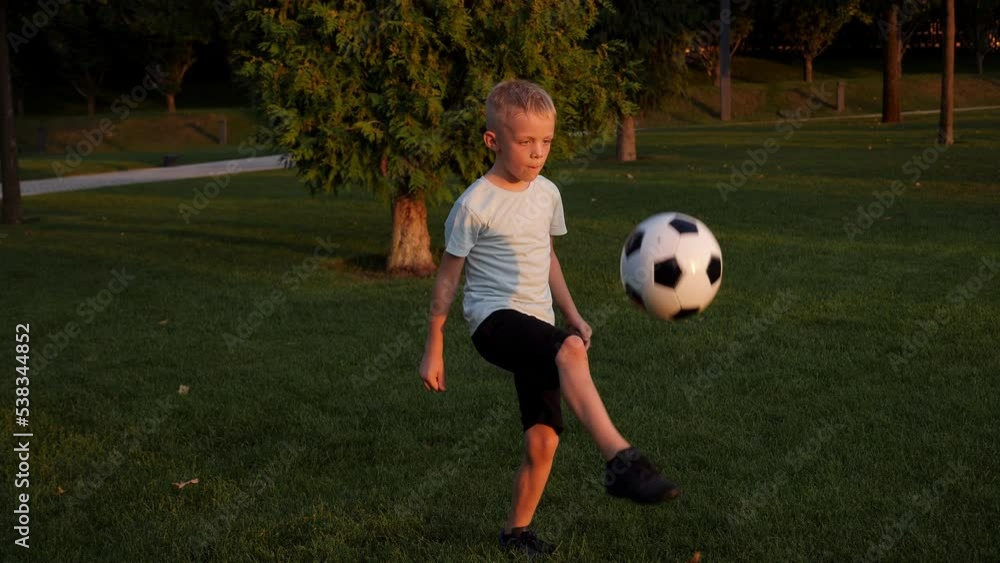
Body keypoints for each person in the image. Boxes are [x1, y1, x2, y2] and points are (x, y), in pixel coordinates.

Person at [418, 79, 680, 556]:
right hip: (492, 322)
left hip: (537, 323)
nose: (537, 153)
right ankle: (621, 460)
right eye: (525, 142)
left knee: (544, 438)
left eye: (546, 142)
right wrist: (434, 342)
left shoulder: (548, 194)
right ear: (492, 141)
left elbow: (548, 257)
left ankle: (515, 533)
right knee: (569, 351)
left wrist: (572, 313)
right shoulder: (474, 205)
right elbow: (447, 277)